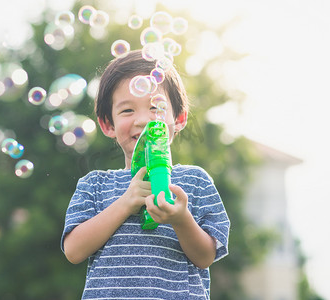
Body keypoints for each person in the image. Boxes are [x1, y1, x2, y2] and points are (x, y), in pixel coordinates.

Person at [61, 50, 230, 299]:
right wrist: (126, 202)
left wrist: (181, 218)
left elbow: (205, 257)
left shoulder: (195, 182)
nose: (142, 120)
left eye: (155, 107)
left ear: (179, 118)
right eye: (127, 111)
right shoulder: (95, 184)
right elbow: (73, 250)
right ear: (108, 124)